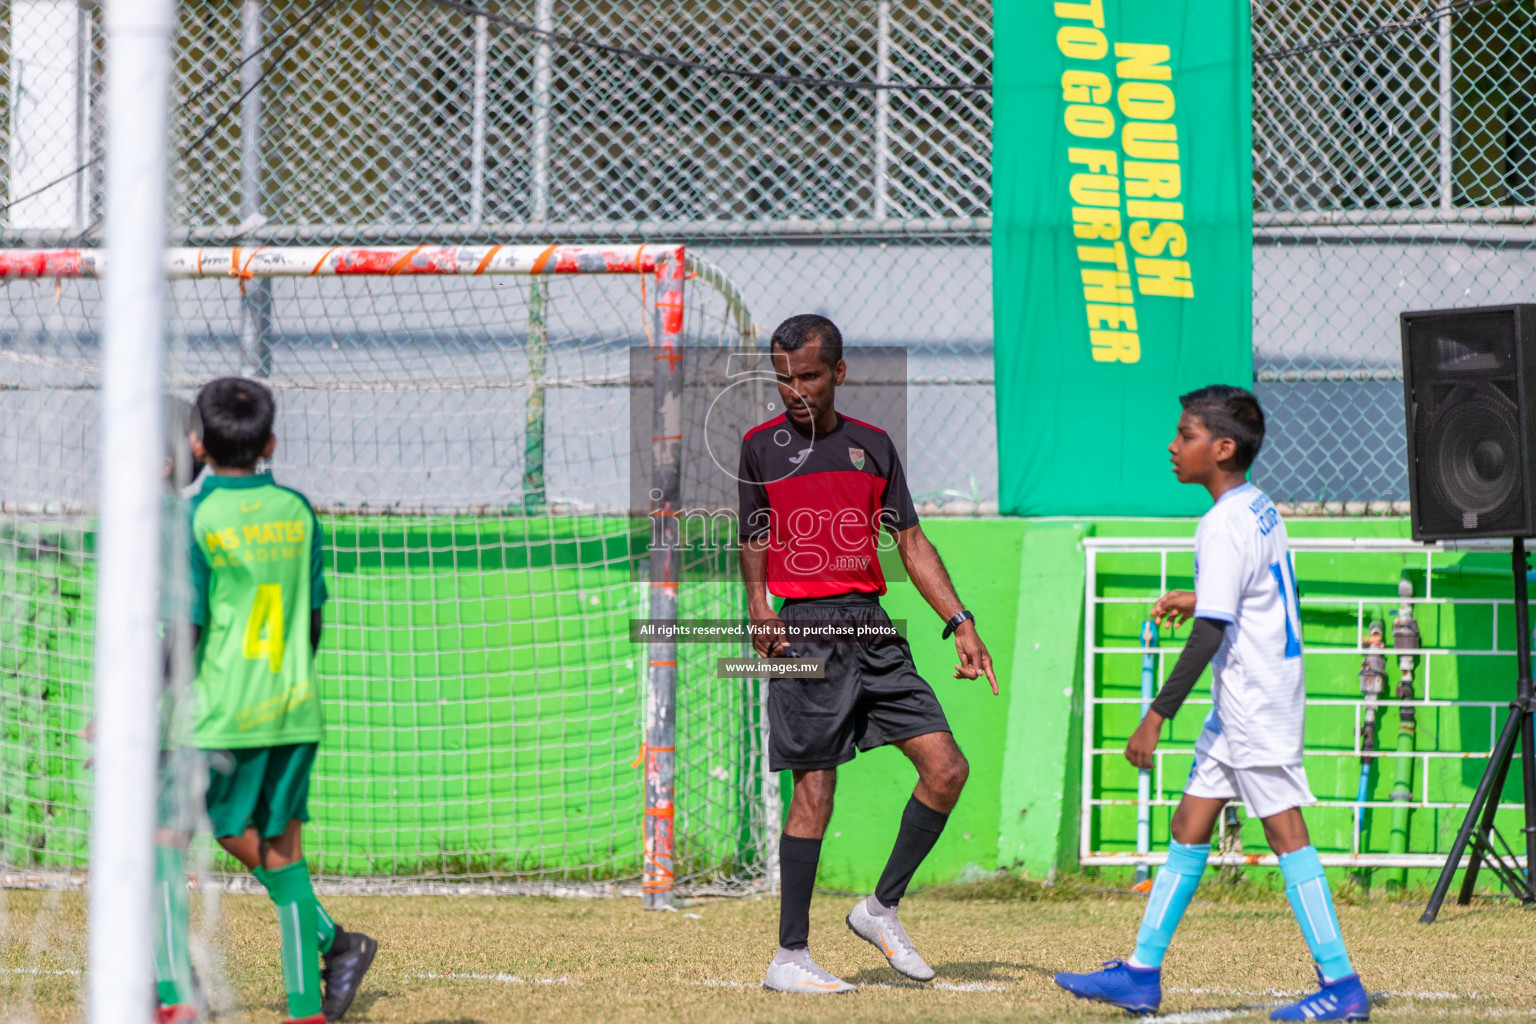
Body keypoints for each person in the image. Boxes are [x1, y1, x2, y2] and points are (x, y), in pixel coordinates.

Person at [1053, 386, 1369, 1022]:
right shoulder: (1256, 507)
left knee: (1286, 834)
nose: (1173, 446)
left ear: (1222, 448)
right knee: (1189, 825)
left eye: (1186, 435)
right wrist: (1197, 598)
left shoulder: (1221, 523)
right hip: (1249, 696)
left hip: (1253, 700)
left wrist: (1155, 715)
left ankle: (1341, 985)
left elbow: (1213, 634)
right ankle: (1141, 972)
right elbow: (1255, 594)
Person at [738, 314, 999, 995]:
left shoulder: (874, 446)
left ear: (839, 373)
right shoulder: (758, 447)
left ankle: (879, 908)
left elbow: (911, 543)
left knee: (947, 769)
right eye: (783, 377)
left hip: (872, 628)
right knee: (815, 789)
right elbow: (753, 534)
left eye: (810, 376)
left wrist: (960, 621)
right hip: (802, 627)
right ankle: (789, 955)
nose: (794, 389)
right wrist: (760, 606)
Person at [182, 377, 377, 1024]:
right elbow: (314, 618)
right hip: (293, 707)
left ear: (196, 444)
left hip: (221, 709)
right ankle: (316, 987)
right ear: (270, 442)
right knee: (277, 854)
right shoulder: (297, 510)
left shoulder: (195, 516)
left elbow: (185, 628)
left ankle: (170, 988)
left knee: (161, 831)